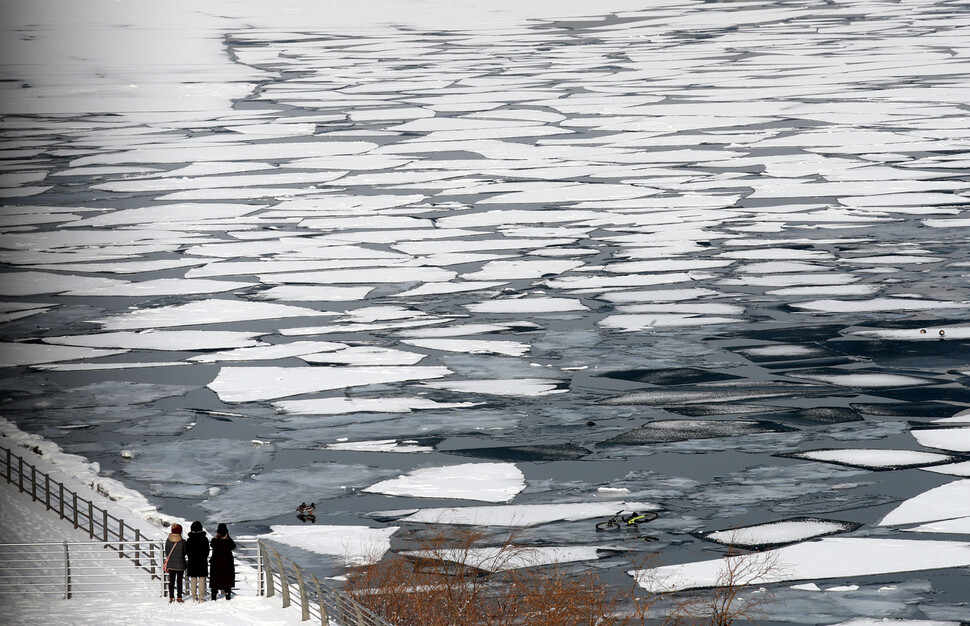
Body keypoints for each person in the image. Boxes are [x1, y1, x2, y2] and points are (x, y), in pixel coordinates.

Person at [209, 523, 236, 600]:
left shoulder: (214, 540)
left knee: (215, 579)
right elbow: (233, 546)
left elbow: (211, 545)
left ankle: (213, 595)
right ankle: (227, 594)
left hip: (216, 563)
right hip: (227, 563)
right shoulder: (228, 541)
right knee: (227, 578)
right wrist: (228, 536)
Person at [185, 521, 210, 602]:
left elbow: (187, 551)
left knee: (193, 579)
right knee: (202, 579)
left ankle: (194, 597)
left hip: (192, 561)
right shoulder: (204, 539)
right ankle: (201, 598)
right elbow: (207, 551)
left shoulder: (189, 540)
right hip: (202, 561)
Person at [164, 523, 187, 603]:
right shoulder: (182, 541)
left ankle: (171, 597)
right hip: (180, 563)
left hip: (171, 564)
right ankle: (179, 597)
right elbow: (185, 552)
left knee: (171, 581)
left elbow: (166, 552)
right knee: (179, 581)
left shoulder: (168, 540)